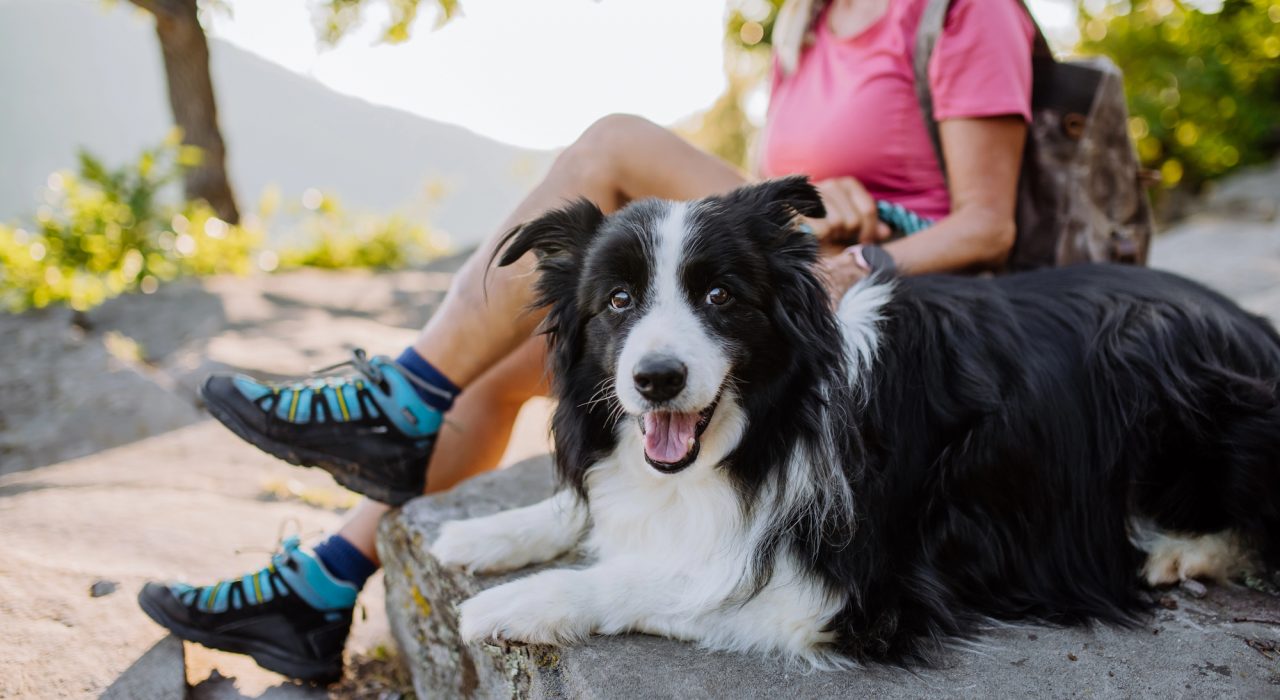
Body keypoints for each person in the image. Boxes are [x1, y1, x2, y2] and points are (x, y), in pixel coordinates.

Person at [138, 0, 1036, 683]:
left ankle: (403, 393)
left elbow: (989, 227)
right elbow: (783, 194)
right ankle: (322, 587)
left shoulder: (963, 12)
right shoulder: (807, 25)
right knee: (494, 373)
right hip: (784, 268)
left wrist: (855, 259)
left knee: (612, 143)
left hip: (905, 305)